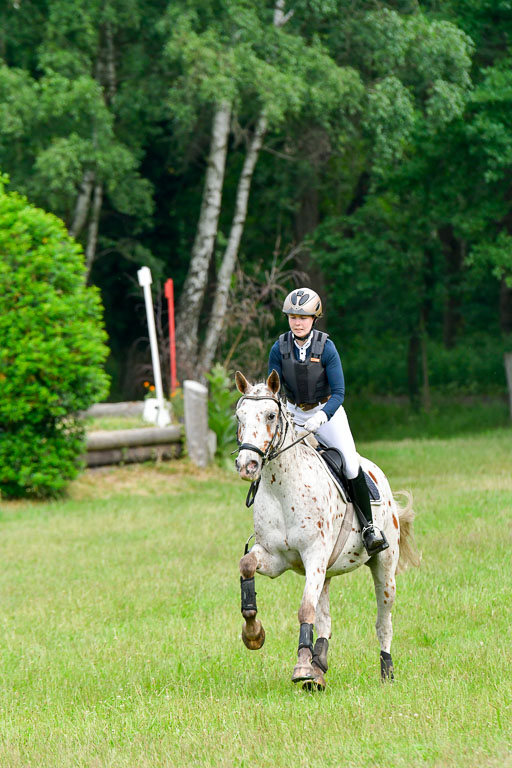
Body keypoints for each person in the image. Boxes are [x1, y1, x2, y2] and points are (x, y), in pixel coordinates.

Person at [268, 287, 388, 556]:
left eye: (304, 317)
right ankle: (270, 524)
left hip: (326, 412)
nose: (297, 323)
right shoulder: (279, 347)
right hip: (293, 414)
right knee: (273, 459)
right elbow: (272, 389)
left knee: (349, 461)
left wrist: (321, 417)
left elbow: (340, 393)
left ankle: (369, 528)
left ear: (314, 319)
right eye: (293, 317)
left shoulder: (327, 347)